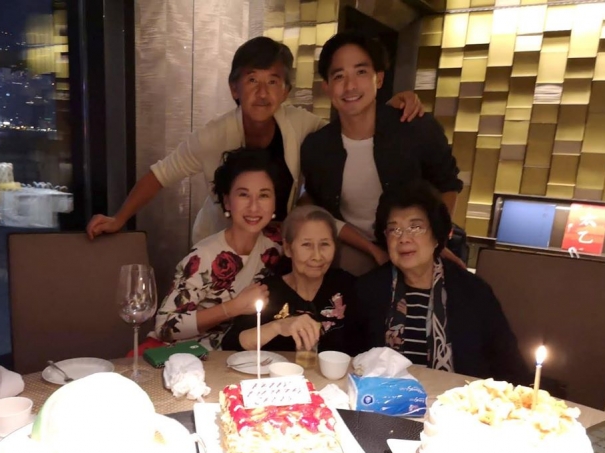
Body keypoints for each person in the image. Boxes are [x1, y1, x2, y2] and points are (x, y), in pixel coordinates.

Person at [86, 36, 424, 253]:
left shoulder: (300, 124)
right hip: (221, 243)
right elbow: (159, 176)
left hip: (277, 245)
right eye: (251, 80)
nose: (262, 93)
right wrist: (118, 218)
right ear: (234, 89)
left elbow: (349, 127)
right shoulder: (213, 136)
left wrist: (388, 105)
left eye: (273, 82)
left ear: (286, 91)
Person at [300, 31, 463, 275]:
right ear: (327, 87)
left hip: (418, 244)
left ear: (379, 78)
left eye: (361, 72)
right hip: (357, 250)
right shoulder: (317, 147)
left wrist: (435, 241)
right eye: (339, 76)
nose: (350, 85)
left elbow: (448, 184)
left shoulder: (415, 127)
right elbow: (318, 206)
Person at [348, 181, 529, 385]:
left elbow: (510, 368)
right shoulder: (368, 290)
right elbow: (349, 361)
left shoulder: (474, 292)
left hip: (457, 400)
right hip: (383, 398)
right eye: (394, 230)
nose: (404, 238)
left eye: (415, 227)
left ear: (436, 235)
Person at [153, 148, 282, 350]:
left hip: (248, 354)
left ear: (275, 202)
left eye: (264, 195)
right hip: (194, 356)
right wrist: (233, 307)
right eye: (243, 195)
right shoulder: (203, 256)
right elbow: (165, 327)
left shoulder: (279, 245)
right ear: (227, 201)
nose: (254, 207)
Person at [221, 205, 356, 354]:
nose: (317, 256)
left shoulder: (348, 286)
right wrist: (277, 327)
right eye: (306, 245)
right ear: (288, 248)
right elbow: (231, 343)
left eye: (324, 244)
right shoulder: (267, 292)